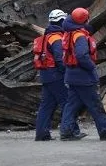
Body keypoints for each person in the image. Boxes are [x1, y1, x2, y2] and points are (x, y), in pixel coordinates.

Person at [60, 7, 106, 141]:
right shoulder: (80, 36)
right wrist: (92, 67)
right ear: (85, 20)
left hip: (71, 74)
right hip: (83, 76)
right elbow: (82, 55)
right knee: (95, 104)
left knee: (71, 105)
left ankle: (66, 132)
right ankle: (105, 130)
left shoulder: (69, 33)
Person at [33, 9, 85, 141]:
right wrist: (67, 74)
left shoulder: (46, 37)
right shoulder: (56, 38)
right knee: (67, 103)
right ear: (61, 21)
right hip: (55, 75)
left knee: (46, 105)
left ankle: (41, 134)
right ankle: (71, 131)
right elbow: (59, 59)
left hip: (45, 75)